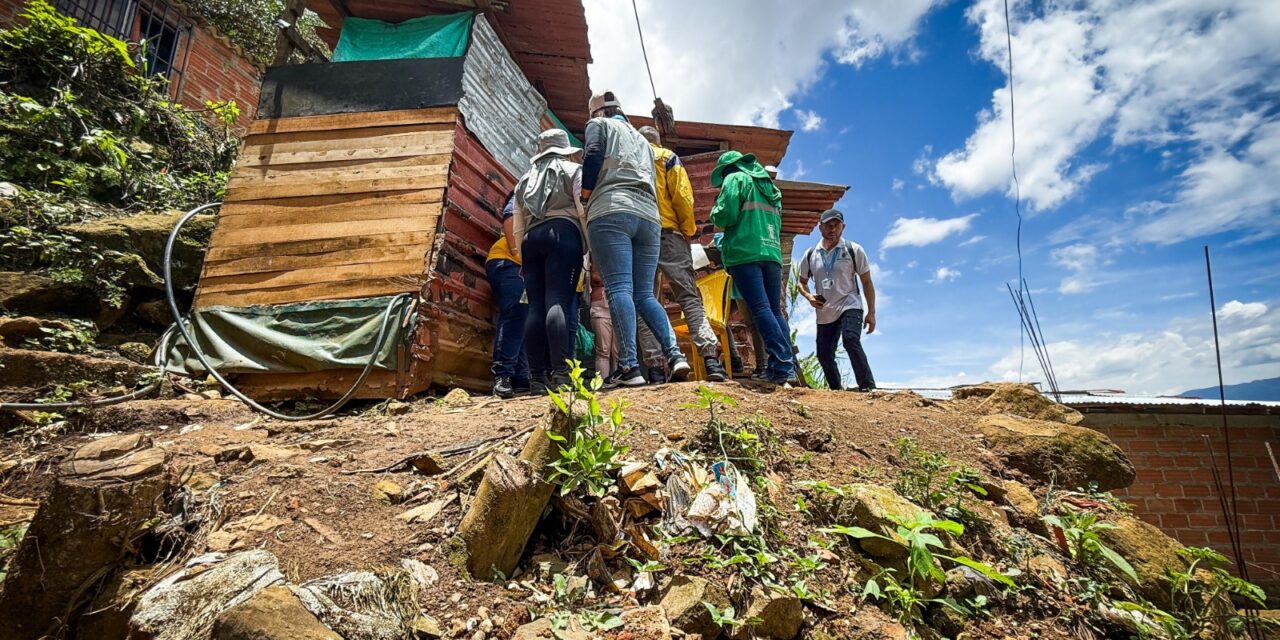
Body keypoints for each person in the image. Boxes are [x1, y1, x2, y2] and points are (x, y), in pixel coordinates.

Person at [580, 91, 691, 387]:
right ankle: (675, 355)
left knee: (619, 289)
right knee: (644, 294)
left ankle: (629, 368)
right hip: (649, 218)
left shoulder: (598, 126)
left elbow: (591, 155)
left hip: (611, 210)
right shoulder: (643, 140)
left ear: (598, 112)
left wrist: (586, 193)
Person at [633, 126, 728, 383]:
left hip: (640, 233)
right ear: (658, 140)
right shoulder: (667, 157)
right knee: (688, 297)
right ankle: (711, 361)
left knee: (645, 300)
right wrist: (688, 229)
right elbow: (683, 198)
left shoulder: (630, 157)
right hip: (670, 233)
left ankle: (654, 369)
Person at [709, 150, 793, 385]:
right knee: (774, 310)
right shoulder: (770, 188)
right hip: (771, 252)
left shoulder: (735, 178)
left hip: (745, 252)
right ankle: (785, 368)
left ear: (728, 169)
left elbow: (725, 214)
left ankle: (783, 363)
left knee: (760, 308)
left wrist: (714, 212)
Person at [512, 129, 587, 392]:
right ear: (564, 148)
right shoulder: (573, 170)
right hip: (564, 234)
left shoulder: (523, 181)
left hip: (531, 240)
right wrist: (589, 249)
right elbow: (581, 209)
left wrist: (522, 258)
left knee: (535, 307)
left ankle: (536, 378)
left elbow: (517, 226)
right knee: (558, 301)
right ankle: (562, 374)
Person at [796, 208, 877, 391]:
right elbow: (800, 282)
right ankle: (836, 390)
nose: (833, 230)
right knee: (824, 354)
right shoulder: (811, 254)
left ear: (843, 227)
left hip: (850, 303)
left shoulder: (853, 250)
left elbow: (867, 282)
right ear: (820, 228)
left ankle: (867, 386)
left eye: (837, 226)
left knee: (850, 339)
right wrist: (809, 296)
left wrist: (871, 312)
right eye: (828, 226)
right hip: (825, 310)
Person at [485, 194, 530, 398]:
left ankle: (520, 377)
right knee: (515, 314)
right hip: (507, 261)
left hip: (517, 265)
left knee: (521, 318)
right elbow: (510, 216)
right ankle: (503, 375)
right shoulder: (523, 192)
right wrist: (517, 252)